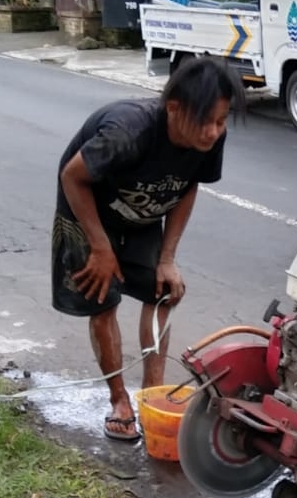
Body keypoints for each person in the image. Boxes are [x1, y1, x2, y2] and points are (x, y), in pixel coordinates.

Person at [53, 57, 242, 442]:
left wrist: (168, 258)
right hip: (88, 210)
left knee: (163, 291)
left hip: (142, 212)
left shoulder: (208, 139)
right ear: (173, 108)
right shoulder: (129, 130)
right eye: (206, 121)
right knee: (102, 299)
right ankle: (119, 401)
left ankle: (151, 394)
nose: (213, 132)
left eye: (221, 121)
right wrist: (100, 248)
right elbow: (72, 176)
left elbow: (188, 186)